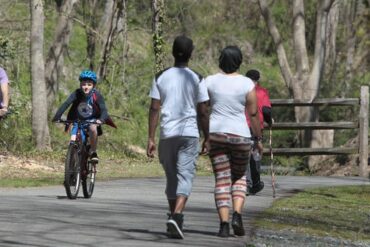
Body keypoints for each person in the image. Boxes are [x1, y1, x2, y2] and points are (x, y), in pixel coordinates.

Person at [147, 35, 209, 239]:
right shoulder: (197, 78)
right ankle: (177, 215)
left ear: (173, 52)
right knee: (185, 176)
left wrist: (150, 138)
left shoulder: (160, 76)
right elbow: (202, 111)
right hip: (189, 134)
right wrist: (207, 136)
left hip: (167, 134)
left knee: (172, 178)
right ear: (191, 54)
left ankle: (174, 218)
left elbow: (154, 108)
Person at [204, 46, 263, 237]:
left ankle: (223, 224)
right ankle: (237, 214)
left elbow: (203, 110)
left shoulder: (210, 81)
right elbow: (253, 114)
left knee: (221, 179)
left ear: (220, 60)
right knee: (239, 178)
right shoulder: (247, 84)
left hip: (216, 134)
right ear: (239, 61)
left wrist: (204, 136)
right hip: (240, 136)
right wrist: (258, 138)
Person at [52, 70, 115, 163]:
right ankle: (72, 162)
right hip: (77, 120)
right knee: (73, 138)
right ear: (80, 84)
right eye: (84, 84)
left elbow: (104, 110)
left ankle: (93, 152)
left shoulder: (96, 95)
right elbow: (66, 104)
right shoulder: (76, 93)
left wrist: (101, 120)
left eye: (89, 85)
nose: (86, 87)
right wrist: (57, 117)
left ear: (93, 85)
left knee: (93, 128)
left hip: (92, 120)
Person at [245, 69, 272, 195]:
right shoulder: (262, 92)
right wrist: (269, 120)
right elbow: (266, 110)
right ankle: (255, 183)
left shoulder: (242, 90)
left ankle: (245, 183)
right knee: (255, 153)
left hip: (241, 125)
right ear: (258, 79)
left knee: (244, 153)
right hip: (256, 126)